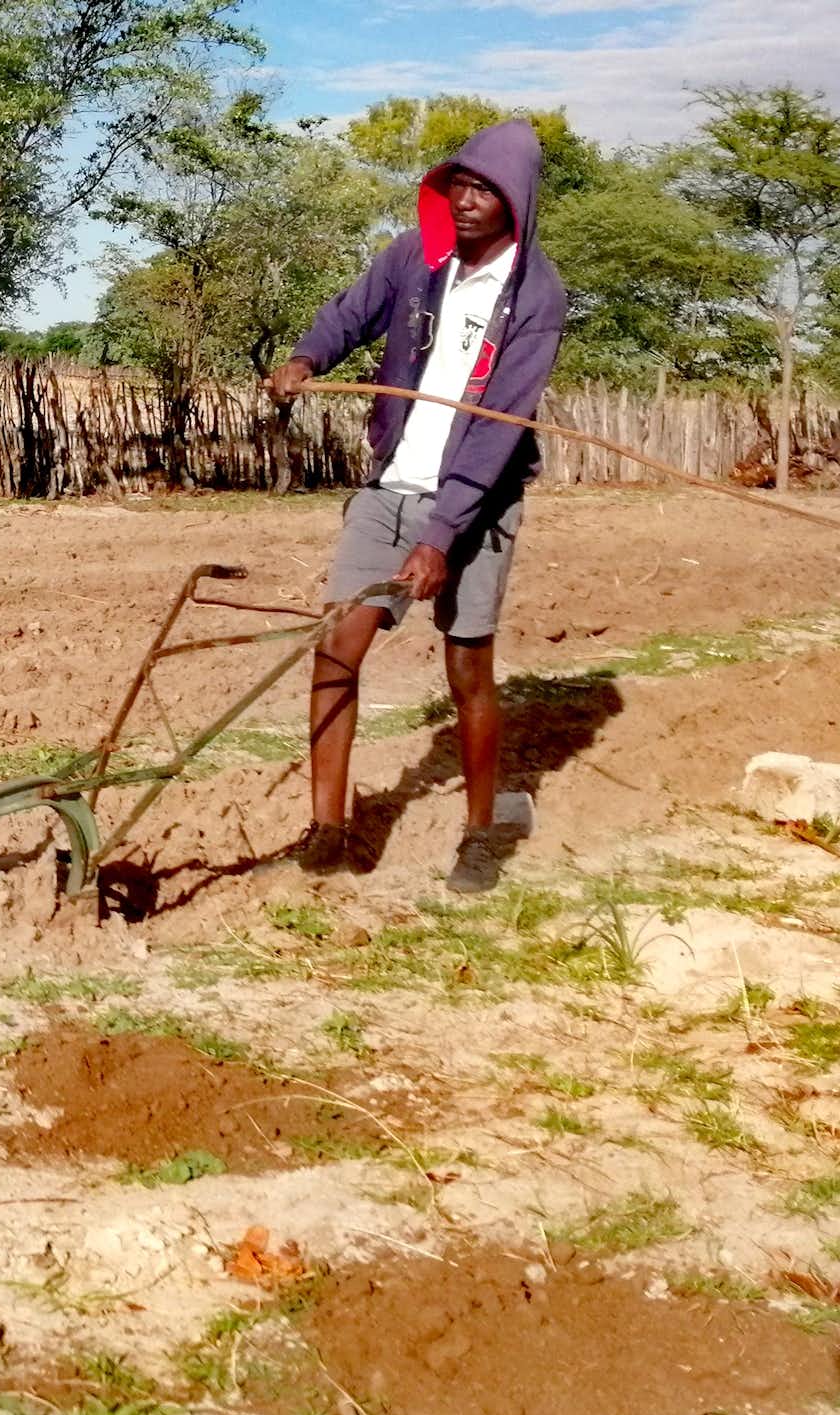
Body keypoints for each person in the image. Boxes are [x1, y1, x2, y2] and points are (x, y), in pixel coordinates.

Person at [262, 118, 566, 893]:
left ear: (518, 201)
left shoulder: (536, 295)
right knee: (337, 648)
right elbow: (349, 312)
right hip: (389, 487)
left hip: (476, 506)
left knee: (467, 667)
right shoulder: (415, 255)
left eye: (486, 190)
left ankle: (479, 834)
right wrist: (305, 355)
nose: (466, 201)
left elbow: (496, 439)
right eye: (458, 184)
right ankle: (329, 828)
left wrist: (440, 536)